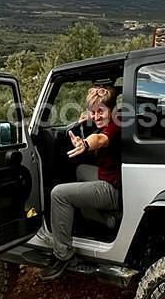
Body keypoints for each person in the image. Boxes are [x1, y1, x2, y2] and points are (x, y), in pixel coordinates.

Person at [40, 86, 121, 280]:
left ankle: (63, 255)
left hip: (112, 189)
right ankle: (95, 215)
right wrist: (86, 122)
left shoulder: (114, 126)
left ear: (111, 110)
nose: (97, 116)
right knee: (80, 170)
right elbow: (97, 132)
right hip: (111, 177)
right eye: (93, 112)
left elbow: (100, 139)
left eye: (101, 111)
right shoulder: (109, 122)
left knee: (59, 194)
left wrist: (84, 144)